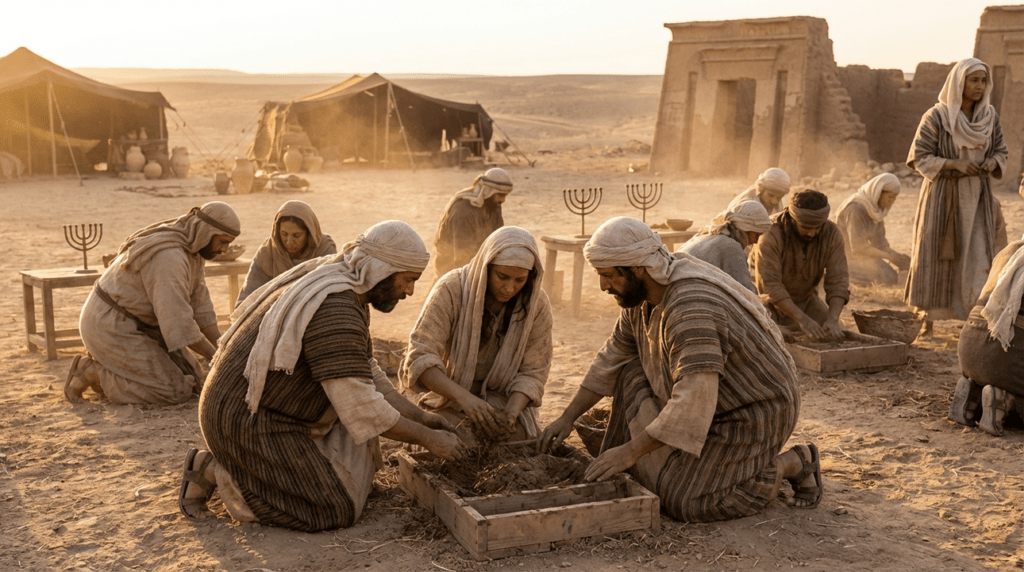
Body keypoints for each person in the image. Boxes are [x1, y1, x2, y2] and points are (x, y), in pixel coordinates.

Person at [178, 221, 467, 532]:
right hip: (247, 420)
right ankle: (220, 473)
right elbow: (361, 406)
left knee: (363, 456)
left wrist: (422, 418)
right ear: (382, 269)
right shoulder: (336, 307)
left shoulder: (348, 286)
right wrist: (428, 439)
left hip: (268, 409)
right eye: (408, 280)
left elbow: (365, 372)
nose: (409, 292)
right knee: (333, 510)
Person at [539, 217, 819, 523]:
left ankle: (792, 463)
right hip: (706, 400)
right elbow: (612, 358)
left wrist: (631, 451)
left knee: (689, 502)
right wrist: (567, 417)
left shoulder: (690, 308)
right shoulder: (638, 298)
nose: (603, 286)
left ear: (637, 268)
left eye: (607, 276)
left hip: (753, 411)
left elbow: (692, 402)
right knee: (628, 373)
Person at [64, 202, 241, 405]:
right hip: (110, 326)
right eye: (222, 241)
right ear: (205, 231)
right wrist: (216, 358)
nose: (225, 249)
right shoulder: (169, 258)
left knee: (197, 382)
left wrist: (224, 348)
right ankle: (93, 372)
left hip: (144, 325)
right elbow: (178, 323)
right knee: (174, 392)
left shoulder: (194, 251)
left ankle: (120, 369)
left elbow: (201, 309)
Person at [400, 226, 552, 445]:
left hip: (503, 401)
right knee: (456, 442)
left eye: (520, 281)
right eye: (503, 277)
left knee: (516, 444)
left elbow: (534, 372)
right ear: (486, 268)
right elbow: (420, 359)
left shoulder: (536, 304)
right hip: (448, 399)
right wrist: (466, 400)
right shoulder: (451, 290)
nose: (509, 288)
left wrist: (510, 413)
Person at [905, 58, 1008, 331]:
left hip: (978, 197)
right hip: (943, 196)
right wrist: (955, 164)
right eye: (974, 80)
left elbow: (1001, 151)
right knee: (935, 254)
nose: (979, 86)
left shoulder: (990, 117)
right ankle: (926, 315)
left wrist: (992, 163)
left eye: (983, 81)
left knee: (977, 255)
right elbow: (919, 156)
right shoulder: (936, 116)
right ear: (959, 83)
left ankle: (970, 316)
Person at [948, 238, 1024, 436]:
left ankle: (973, 391)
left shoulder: (1010, 249)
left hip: (969, 349)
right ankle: (1005, 400)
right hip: (1008, 355)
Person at [752, 189, 849, 341]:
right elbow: (770, 286)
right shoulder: (770, 233)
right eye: (806, 227)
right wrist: (802, 319)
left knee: (834, 334)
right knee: (770, 340)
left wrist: (833, 318)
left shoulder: (831, 233)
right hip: (768, 305)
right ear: (793, 219)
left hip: (806, 300)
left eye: (817, 227)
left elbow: (838, 281)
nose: (812, 233)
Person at [235, 200, 337, 305]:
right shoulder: (267, 253)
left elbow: (332, 292)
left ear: (309, 233)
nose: (289, 242)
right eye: (284, 234)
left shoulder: (324, 249)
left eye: (296, 235)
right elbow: (247, 298)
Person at [432, 167, 513, 280]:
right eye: (500, 195)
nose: (503, 200)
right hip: (452, 267)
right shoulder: (463, 211)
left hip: (480, 261)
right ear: (488, 192)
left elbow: (497, 238)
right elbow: (462, 255)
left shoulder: (494, 206)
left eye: (505, 196)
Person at [677, 199, 773, 293]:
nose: (756, 241)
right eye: (756, 235)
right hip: (687, 295)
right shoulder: (731, 247)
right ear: (745, 229)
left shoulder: (706, 235)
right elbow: (746, 293)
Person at [835, 173, 910, 286]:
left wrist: (899, 258)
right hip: (845, 259)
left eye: (894, 199)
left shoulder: (876, 212)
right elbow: (858, 247)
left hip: (864, 258)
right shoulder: (855, 210)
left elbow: (880, 245)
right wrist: (890, 257)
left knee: (893, 274)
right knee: (886, 278)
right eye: (890, 197)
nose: (891, 202)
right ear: (878, 193)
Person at [727, 168, 791, 216]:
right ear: (761, 189)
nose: (774, 201)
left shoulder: (778, 200)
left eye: (779, 198)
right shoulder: (744, 204)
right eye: (770, 195)